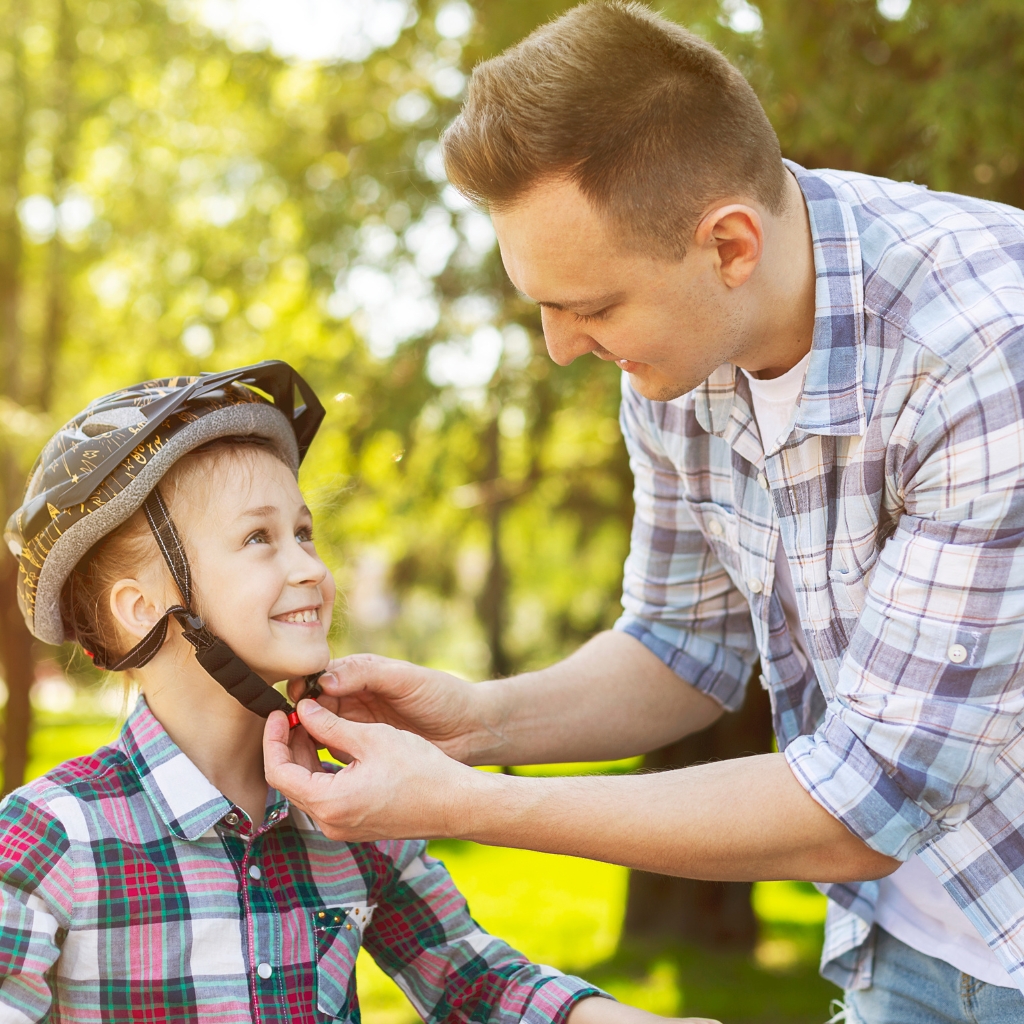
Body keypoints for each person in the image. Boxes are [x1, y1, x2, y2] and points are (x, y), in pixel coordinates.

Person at [263, 3, 1024, 1022]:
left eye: (591, 305)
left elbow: (865, 801)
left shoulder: (982, 355)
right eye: (542, 303)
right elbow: (682, 645)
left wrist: (466, 805)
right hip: (905, 941)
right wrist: (476, 723)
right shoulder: (680, 357)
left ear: (730, 245)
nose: (558, 347)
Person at [0, 362, 716, 1024]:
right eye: (259, 538)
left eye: (304, 533)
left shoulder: (352, 813)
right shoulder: (51, 842)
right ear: (139, 607)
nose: (309, 567)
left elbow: (473, 979)